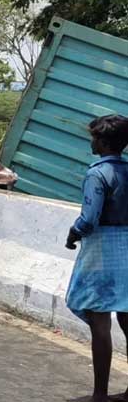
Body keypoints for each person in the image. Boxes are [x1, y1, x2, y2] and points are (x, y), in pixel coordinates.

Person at [64, 114, 128, 402]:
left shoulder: (97, 174)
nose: (91, 142)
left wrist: (72, 234)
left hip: (103, 250)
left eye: (94, 137)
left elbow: (88, 220)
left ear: (102, 142)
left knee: (100, 322)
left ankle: (100, 394)